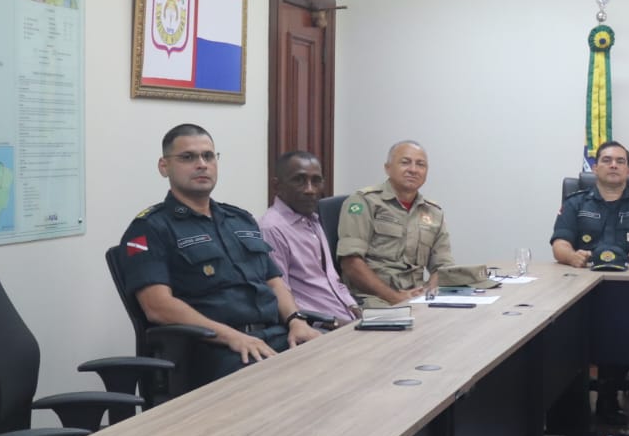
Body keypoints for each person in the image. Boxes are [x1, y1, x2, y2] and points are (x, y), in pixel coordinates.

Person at [119, 124, 320, 387]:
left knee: (338, 360)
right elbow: (158, 307)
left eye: (208, 156)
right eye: (188, 157)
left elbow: (273, 281)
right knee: (293, 387)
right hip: (214, 350)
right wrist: (231, 337)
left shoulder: (240, 220)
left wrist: (296, 320)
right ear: (164, 166)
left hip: (273, 337)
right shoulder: (150, 228)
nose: (201, 164)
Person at [551, 140, 629, 425]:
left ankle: (607, 397)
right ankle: (566, 406)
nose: (613, 165)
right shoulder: (575, 202)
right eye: (606, 160)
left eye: (619, 161)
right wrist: (571, 257)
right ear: (595, 168)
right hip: (580, 289)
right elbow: (560, 244)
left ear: (628, 169)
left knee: (621, 323)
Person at [337, 140, 454, 307]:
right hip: (372, 298)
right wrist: (395, 298)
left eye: (420, 165)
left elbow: (442, 266)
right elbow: (351, 263)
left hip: (415, 297)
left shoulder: (433, 212)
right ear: (388, 168)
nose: (413, 170)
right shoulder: (364, 202)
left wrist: (428, 293)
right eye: (405, 162)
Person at [261, 150, 358, 325]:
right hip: (318, 326)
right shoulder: (272, 228)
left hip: (345, 318)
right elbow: (280, 294)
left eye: (316, 181)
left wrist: (355, 310)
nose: (310, 190)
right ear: (277, 186)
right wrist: (338, 324)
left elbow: (331, 278)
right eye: (299, 180)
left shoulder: (312, 219)